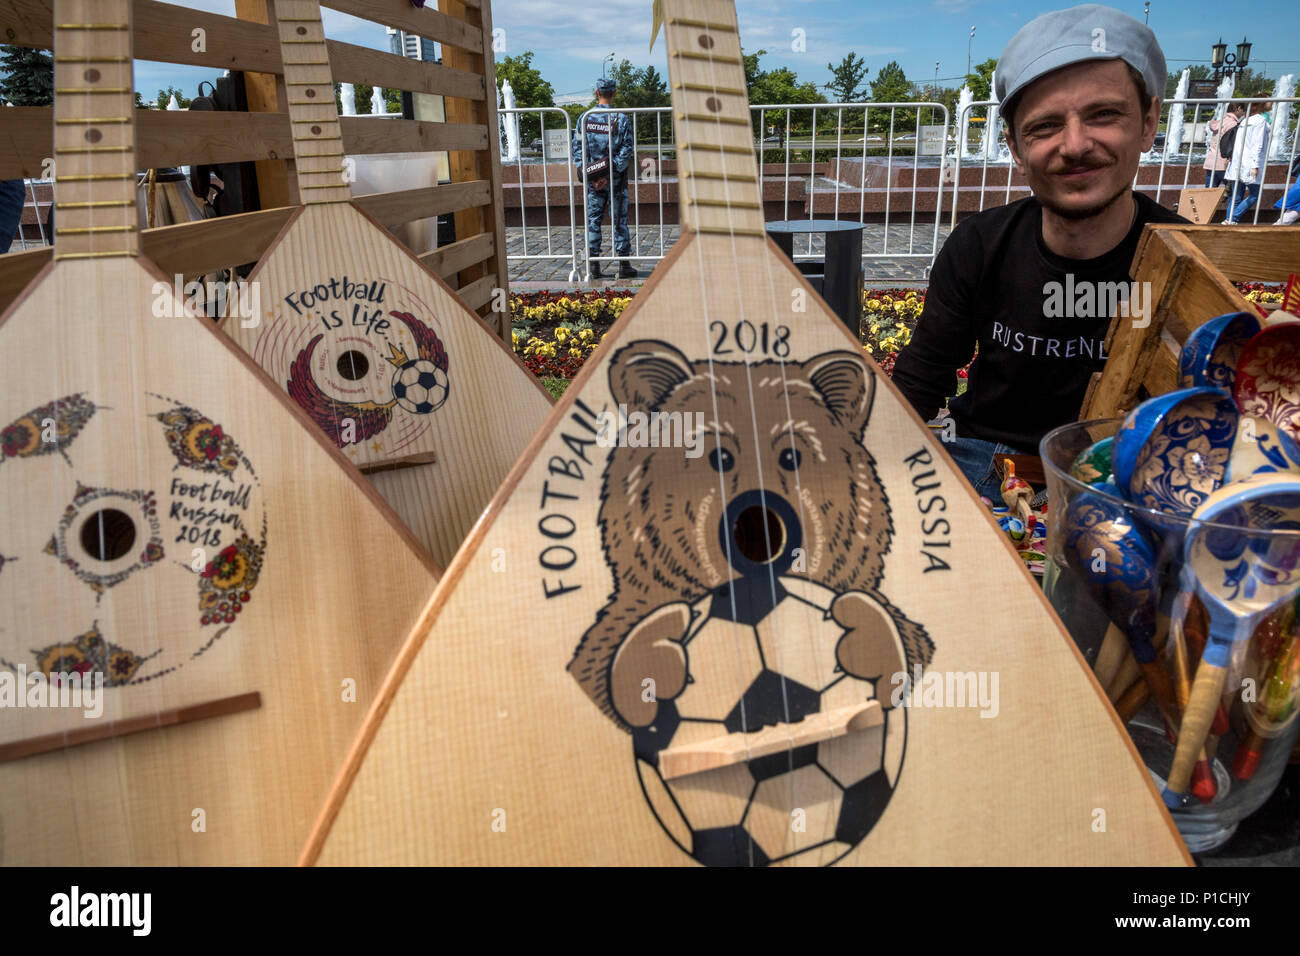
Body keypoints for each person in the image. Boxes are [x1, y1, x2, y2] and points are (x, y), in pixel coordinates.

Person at [891, 3, 1187, 501]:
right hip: (987, 463)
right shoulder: (980, 245)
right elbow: (919, 381)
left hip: (1131, 482)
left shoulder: (1187, 258)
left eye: (1104, 114)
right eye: (1045, 126)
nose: (1074, 145)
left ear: (1149, 122)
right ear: (1014, 147)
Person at [573, 77, 637, 280]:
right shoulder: (621, 118)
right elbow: (627, 150)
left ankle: (593, 267)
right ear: (615, 93)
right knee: (619, 220)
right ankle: (624, 265)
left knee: (593, 221)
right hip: (616, 180)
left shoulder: (585, 117)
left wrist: (588, 174)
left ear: (596, 93)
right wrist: (610, 175)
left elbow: (578, 149)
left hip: (593, 181)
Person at [1223, 101, 1272, 224]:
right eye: (1269, 101)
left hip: (1237, 163)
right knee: (1255, 194)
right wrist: (1255, 164)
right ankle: (1232, 218)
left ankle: (1229, 221)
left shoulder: (1245, 121)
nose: (1272, 103)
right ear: (1261, 104)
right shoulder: (1259, 121)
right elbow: (1258, 144)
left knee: (1235, 197)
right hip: (1249, 163)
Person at [1203, 102, 1242, 188]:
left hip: (1211, 162)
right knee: (1234, 192)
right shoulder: (1232, 124)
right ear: (1238, 108)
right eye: (1243, 110)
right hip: (1223, 163)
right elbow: (1231, 144)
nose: (1243, 113)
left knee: (1208, 193)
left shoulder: (1221, 121)